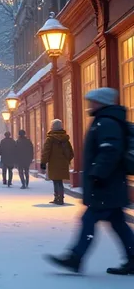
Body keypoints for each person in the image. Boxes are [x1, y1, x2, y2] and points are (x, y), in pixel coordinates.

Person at [46, 87, 134, 275]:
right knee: (118, 222)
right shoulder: (104, 120)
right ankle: (133, 258)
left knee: (89, 219)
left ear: (101, 102)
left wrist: (98, 175)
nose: (89, 105)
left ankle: (75, 257)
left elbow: (110, 150)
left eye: (93, 101)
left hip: (106, 184)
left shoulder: (106, 122)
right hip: (111, 183)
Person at [41, 119, 74, 205]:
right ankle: (61, 198)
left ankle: (57, 198)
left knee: (56, 181)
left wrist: (43, 162)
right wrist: (66, 160)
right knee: (60, 181)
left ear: (52, 127)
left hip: (53, 163)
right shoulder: (65, 139)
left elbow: (46, 151)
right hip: (63, 163)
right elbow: (71, 152)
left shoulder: (50, 139)